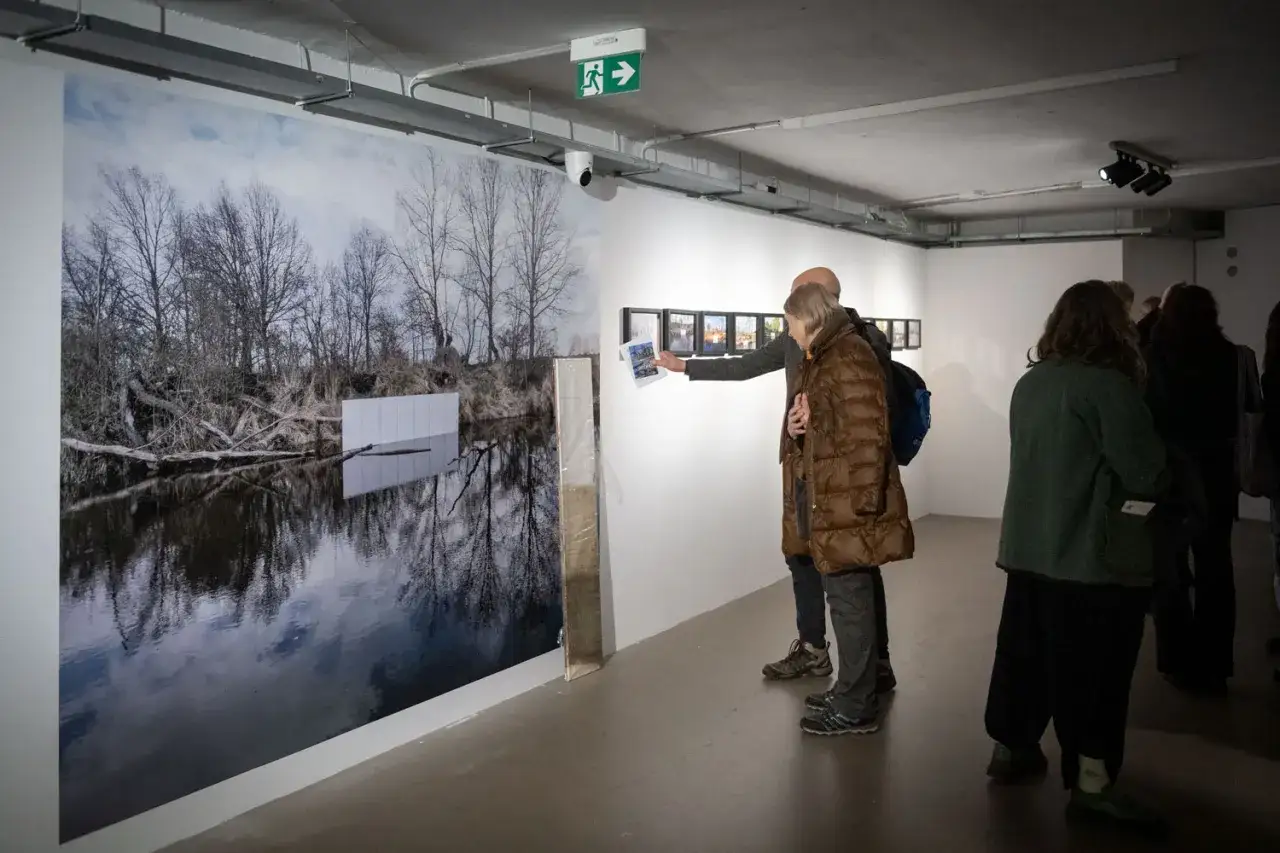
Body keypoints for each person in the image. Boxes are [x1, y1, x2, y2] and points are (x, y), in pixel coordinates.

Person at [654, 267, 898, 693]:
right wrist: (684, 365)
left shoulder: (859, 342)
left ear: (822, 299)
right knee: (800, 555)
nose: (789, 307)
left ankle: (874, 666)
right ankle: (813, 649)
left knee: (854, 568)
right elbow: (749, 364)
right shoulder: (795, 339)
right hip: (803, 470)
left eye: (797, 296)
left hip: (841, 478)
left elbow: (866, 413)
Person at [984, 280, 1168, 833]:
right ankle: (1092, 785)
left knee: (1024, 656)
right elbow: (1146, 472)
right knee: (1096, 672)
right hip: (1092, 559)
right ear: (1116, 326)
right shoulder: (1109, 388)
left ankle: (1012, 750)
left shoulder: (1031, 383)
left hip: (1028, 551)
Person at [778, 282, 913, 735]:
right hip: (837, 496)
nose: (790, 334)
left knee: (849, 602)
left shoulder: (847, 356)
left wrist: (864, 503)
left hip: (848, 502)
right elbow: (835, 425)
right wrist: (800, 426)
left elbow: (867, 437)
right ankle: (858, 687)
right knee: (850, 599)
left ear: (809, 317)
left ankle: (856, 707)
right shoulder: (829, 356)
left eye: (791, 324)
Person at [1143, 284, 1239, 696]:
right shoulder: (1231, 356)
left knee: (1171, 569)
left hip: (1172, 476)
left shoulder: (1155, 358)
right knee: (1217, 567)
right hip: (1217, 473)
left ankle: (1176, 660)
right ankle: (1216, 665)